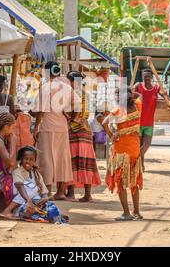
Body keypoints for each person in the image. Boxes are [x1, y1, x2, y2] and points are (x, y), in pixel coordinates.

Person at [34, 61, 77, 201]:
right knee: (62, 158)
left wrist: (36, 127)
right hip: (62, 127)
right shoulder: (67, 87)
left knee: (47, 158)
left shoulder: (46, 87)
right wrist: (70, 121)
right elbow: (77, 106)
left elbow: (41, 109)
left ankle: (48, 192)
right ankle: (60, 192)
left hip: (47, 126)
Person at [102, 87, 143, 221]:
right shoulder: (138, 105)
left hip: (121, 149)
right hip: (135, 148)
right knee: (134, 180)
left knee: (120, 181)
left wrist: (111, 135)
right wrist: (132, 94)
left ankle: (126, 213)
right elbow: (140, 95)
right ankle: (136, 211)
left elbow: (103, 122)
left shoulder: (117, 111)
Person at [0, 146, 68, 223]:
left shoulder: (36, 174)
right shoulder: (17, 172)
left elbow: (44, 192)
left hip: (33, 203)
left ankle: (54, 215)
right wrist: (29, 201)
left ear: (34, 161)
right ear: (21, 159)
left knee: (50, 206)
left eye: (31, 159)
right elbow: (20, 187)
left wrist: (45, 199)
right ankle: (6, 211)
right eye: (26, 159)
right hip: (21, 204)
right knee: (32, 188)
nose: (28, 161)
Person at [65, 71, 101, 202]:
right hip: (85, 130)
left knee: (71, 162)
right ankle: (87, 194)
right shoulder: (85, 94)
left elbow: (75, 112)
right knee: (86, 162)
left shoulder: (73, 94)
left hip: (74, 130)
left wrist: (68, 120)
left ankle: (71, 193)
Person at [134, 69, 162, 172]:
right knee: (140, 144)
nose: (146, 78)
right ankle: (141, 165)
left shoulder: (156, 88)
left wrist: (165, 94)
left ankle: (136, 159)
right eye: (144, 76)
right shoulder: (138, 86)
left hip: (149, 123)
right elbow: (131, 93)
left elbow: (164, 95)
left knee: (146, 144)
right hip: (138, 122)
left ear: (151, 77)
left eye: (148, 77)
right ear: (142, 76)